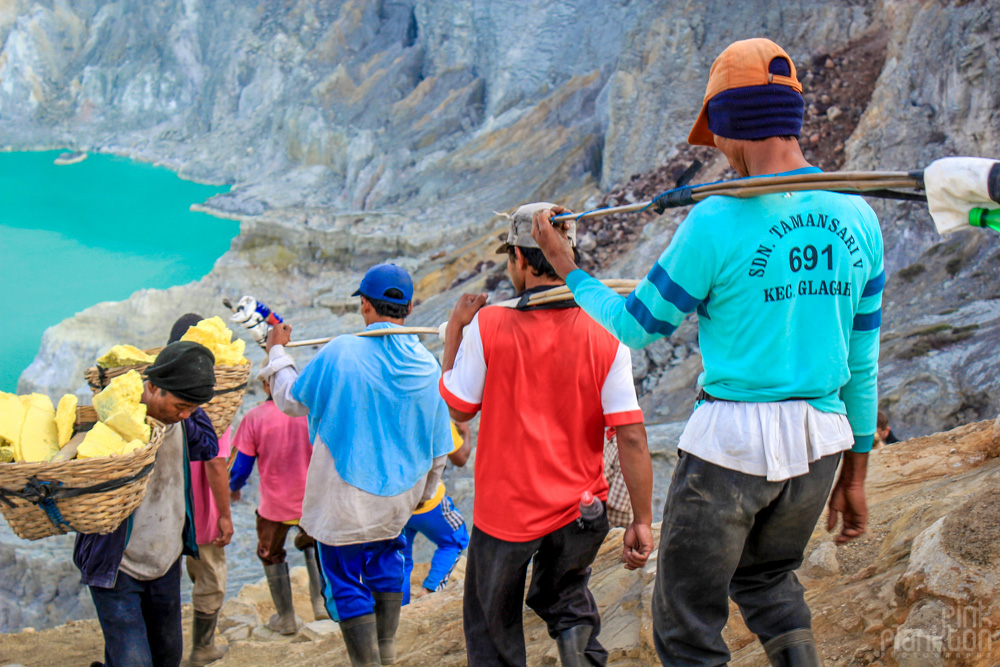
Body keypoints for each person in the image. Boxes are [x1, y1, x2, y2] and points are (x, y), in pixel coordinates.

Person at [530, 38, 883, 665]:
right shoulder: (858, 215)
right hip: (823, 445)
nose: (716, 148)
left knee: (686, 622)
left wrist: (570, 272)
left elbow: (637, 324)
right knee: (769, 580)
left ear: (733, 123)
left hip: (731, 447)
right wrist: (855, 470)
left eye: (716, 133)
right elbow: (862, 361)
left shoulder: (716, 222)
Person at [440, 202, 655, 667]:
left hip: (506, 515)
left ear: (518, 259)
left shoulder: (489, 325)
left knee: (491, 623)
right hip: (581, 508)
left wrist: (455, 333)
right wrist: (641, 519)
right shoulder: (606, 329)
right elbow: (631, 435)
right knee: (566, 599)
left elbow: (458, 407)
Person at [260, 263, 454, 667]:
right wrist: (423, 494)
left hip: (343, 502)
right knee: (386, 566)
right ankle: (387, 651)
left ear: (365, 305)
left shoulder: (342, 350)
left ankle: (367, 664)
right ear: (410, 307)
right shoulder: (426, 363)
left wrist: (276, 351)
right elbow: (439, 444)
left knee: (346, 582)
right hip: (398, 501)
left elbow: (292, 400)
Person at [75, 341, 219, 667]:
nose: (184, 415)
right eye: (180, 406)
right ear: (152, 387)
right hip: (115, 564)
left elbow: (208, 447)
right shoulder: (113, 423)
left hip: (164, 560)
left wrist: (192, 410)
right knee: (133, 661)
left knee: (168, 657)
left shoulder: (183, 422)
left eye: (191, 409)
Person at [228, 367, 328, 633]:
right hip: (312, 502)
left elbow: (240, 467)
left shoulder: (255, 418)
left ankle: (286, 618)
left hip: (275, 506)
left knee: (271, 554)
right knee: (315, 547)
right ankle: (321, 604)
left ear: (265, 386)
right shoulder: (310, 412)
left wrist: (234, 488)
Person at [167, 315, 234, 667]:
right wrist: (224, 514)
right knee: (209, 574)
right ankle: (202, 647)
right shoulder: (211, 401)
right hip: (201, 510)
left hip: (166, 506)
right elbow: (215, 463)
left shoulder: (162, 394)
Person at [401, 421, 471, 604]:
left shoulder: (385, 410)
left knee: (400, 558)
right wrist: (466, 432)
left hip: (396, 503)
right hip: (429, 503)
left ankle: (399, 606)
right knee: (455, 539)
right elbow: (460, 458)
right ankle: (430, 589)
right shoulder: (436, 413)